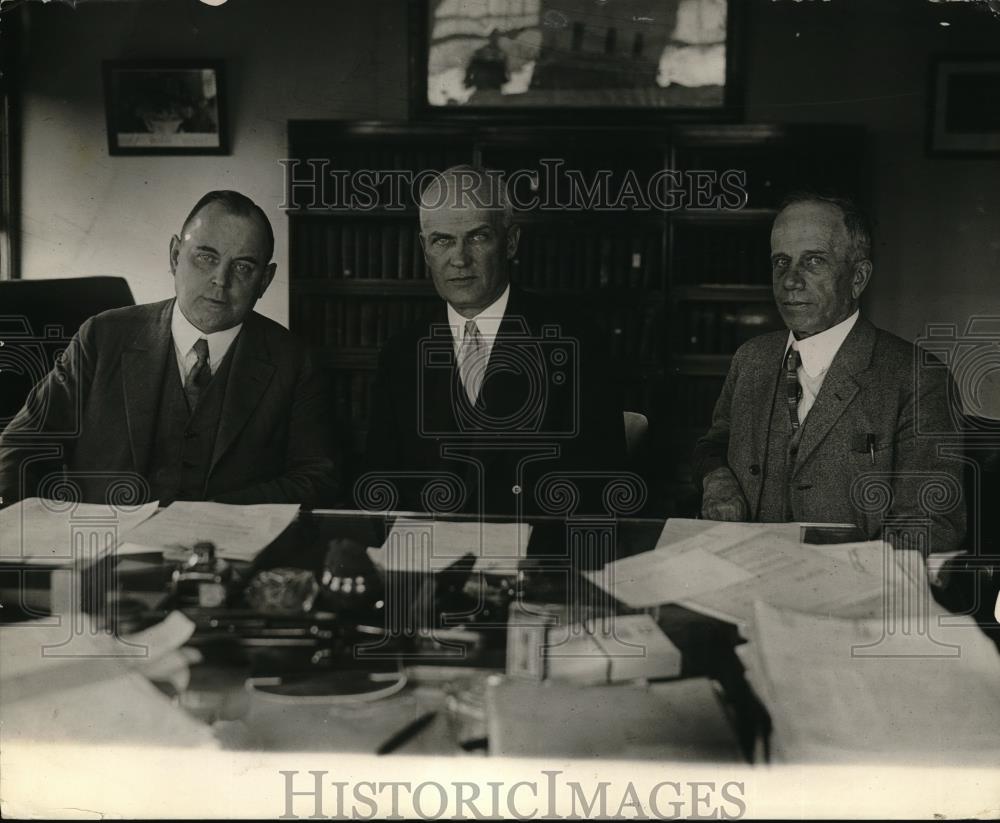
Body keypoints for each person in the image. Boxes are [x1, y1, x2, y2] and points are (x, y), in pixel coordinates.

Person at [0, 190, 340, 507]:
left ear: (264, 281)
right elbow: (21, 446)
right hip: (105, 552)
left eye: (243, 267)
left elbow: (318, 477)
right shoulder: (102, 337)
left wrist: (213, 519)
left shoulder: (294, 361)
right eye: (206, 257)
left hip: (226, 558)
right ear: (176, 256)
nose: (221, 280)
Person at [693, 193, 965, 552]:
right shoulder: (751, 360)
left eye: (813, 261)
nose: (790, 281)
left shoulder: (918, 378)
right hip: (745, 582)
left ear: (858, 277)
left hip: (854, 594)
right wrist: (717, 479)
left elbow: (931, 524)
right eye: (781, 262)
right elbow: (713, 446)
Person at [362, 165, 627, 517]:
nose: (459, 259)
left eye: (477, 236)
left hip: (537, 560)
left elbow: (601, 485)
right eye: (443, 240)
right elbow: (380, 484)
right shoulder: (400, 353)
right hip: (429, 558)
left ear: (511, 242)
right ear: (425, 249)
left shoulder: (575, 341)